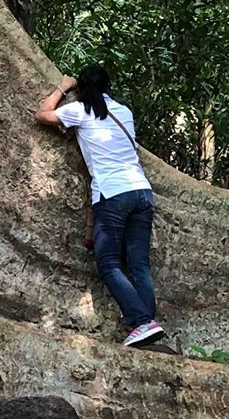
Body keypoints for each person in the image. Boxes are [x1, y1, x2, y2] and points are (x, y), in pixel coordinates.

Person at [38, 65, 165, 347]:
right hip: (142, 191)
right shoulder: (124, 111)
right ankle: (148, 327)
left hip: (113, 194)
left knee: (108, 263)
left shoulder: (80, 110)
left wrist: (63, 86)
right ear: (108, 87)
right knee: (138, 264)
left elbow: (42, 114)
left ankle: (142, 322)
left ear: (81, 88)